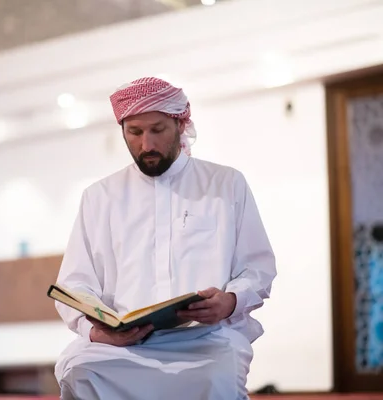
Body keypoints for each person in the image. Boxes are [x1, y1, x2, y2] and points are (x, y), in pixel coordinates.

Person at [54, 77, 277, 399]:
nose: (146, 145)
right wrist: (98, 331)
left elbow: (258, 267)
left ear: (179, 124)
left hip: (207, 339)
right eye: (135, 132)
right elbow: (75, 284)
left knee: (218, 377)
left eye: (157, 130)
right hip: (123, 346)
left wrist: (230, 302)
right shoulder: (99, 197)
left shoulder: (225, 183)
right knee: (80, 371)